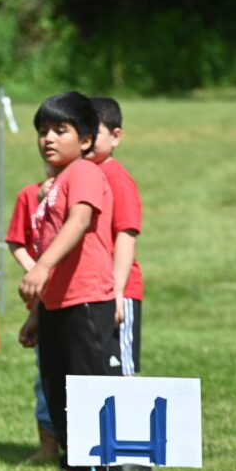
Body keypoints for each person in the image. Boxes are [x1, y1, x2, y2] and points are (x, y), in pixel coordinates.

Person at [18, 91, 128, 471]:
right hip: (56, 304)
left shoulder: (84, 173)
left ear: (85, 140)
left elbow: (80, 222)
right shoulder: (56, 182)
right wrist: (37, 312)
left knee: (93, 388)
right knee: (59, 389)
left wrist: (41, 266)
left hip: (87, 300)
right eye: (42, 130)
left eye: (59, 130)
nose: (48, 138)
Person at [7, 163, 61, 464]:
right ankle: (48, 444)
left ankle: (85, 449)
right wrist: (37, 271)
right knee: (46, 379)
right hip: (44, 304)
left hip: (79, 301)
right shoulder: (29, 195)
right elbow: (17, 242)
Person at [88, 97, 142, 377]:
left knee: (118, 380)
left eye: (94, 132)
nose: (87, 138)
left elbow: (126, 233)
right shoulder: (84, 174)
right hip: (91, 292)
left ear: (116, 136)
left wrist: (117, 290)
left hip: (117, 291)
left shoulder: (116, 177)